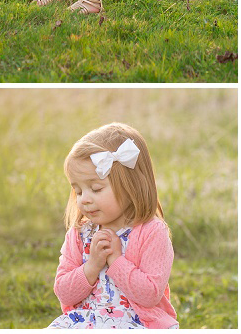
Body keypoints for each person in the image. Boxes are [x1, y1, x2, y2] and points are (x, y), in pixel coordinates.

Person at [49, 123, 178, 329]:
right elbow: (63, 291)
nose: (85, 200)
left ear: (130, 185)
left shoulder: (151, 232)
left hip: (136, 323)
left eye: (96, 189)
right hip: (85, 322)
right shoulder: (80, 233)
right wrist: (92, 266)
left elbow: (150, 295)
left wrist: (116, 261)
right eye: (78, 191)